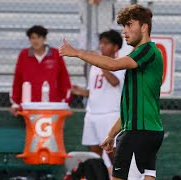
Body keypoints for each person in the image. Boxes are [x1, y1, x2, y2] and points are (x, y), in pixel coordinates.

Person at [59, 4, 164, 180]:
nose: (125, 31)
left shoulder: (147, 50)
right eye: (124, 26)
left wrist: (77, 53)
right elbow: (131, 108)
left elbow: (113, 65)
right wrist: (111, 134)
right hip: (148, 131)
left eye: (129, 25)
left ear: (144, 27)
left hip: (138, 132)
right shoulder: (140, 58)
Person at [71, 29, 125, 172]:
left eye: (106, 43)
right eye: (101, 43)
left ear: (115, 47)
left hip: (109, 114)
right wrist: (79, 91)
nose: (102, 46)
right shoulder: (94, 66)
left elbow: (114, 82)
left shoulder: (119, 64)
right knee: (95, 154)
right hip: (92, 113)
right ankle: (99, 175)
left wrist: (101, 63)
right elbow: (93, 91)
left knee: (112, 152)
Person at [10, 25, 72, 116]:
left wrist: (64, 102)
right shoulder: (23, 55)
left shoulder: (55, 54)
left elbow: (64, 79)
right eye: (32, 38)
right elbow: (17, 79)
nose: (35, 41)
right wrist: (15, 103)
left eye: (39, 37)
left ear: (44, 39)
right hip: (29, 105)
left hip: (52, 105)